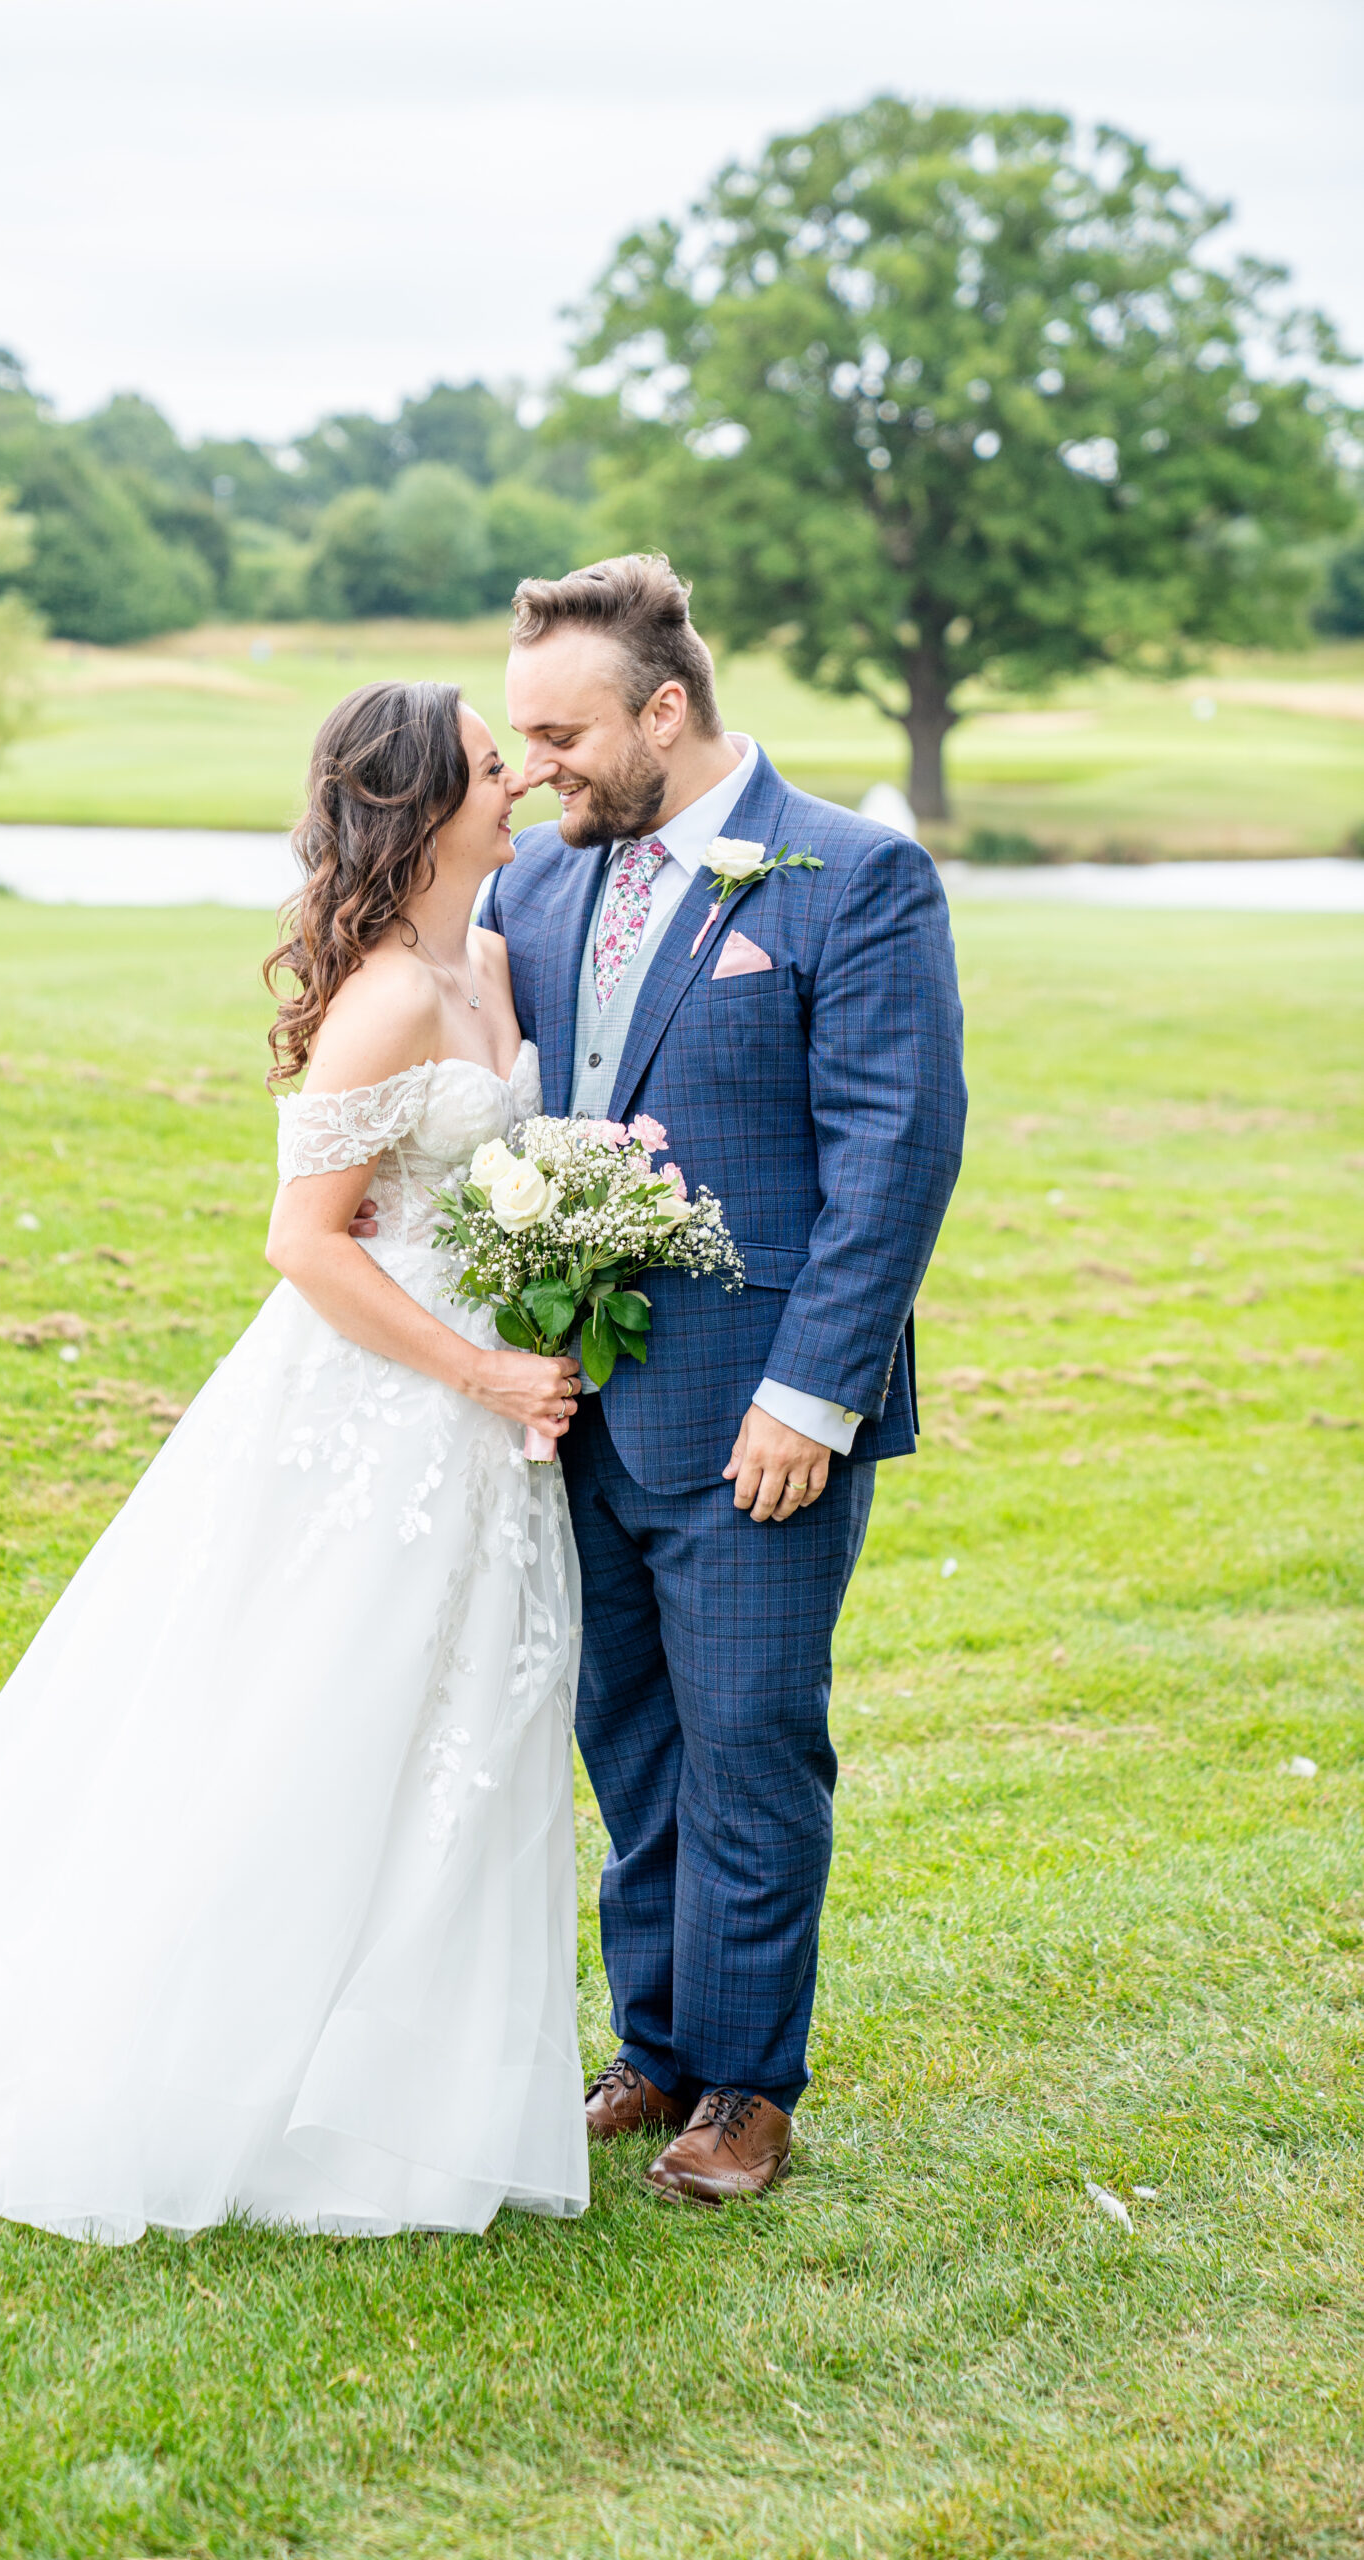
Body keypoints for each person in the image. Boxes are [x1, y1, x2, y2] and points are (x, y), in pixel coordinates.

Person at [0, 682, 588, 2269]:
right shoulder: (382, 1001)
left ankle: (401, 2085)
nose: (526, 787)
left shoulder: (490, 959)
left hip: (483, 1434)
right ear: (427, 805)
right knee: (310, 1715)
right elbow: (302, 1242)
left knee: (459, 1734)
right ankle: (221, 2062)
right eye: (499, 768)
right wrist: (488, 1367)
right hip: (376, 1411)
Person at [480, 556, 965, 2202]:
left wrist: (814, 1396)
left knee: (751, 1732)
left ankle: (748, 2088)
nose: (532, 762)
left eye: (559, 731)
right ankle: (659, 2049)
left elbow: (894, 1151)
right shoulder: (533, 893)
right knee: (627, 1732)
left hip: (764, 1412)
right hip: (580, 1409)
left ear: (665, 710)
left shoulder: (853, 874)